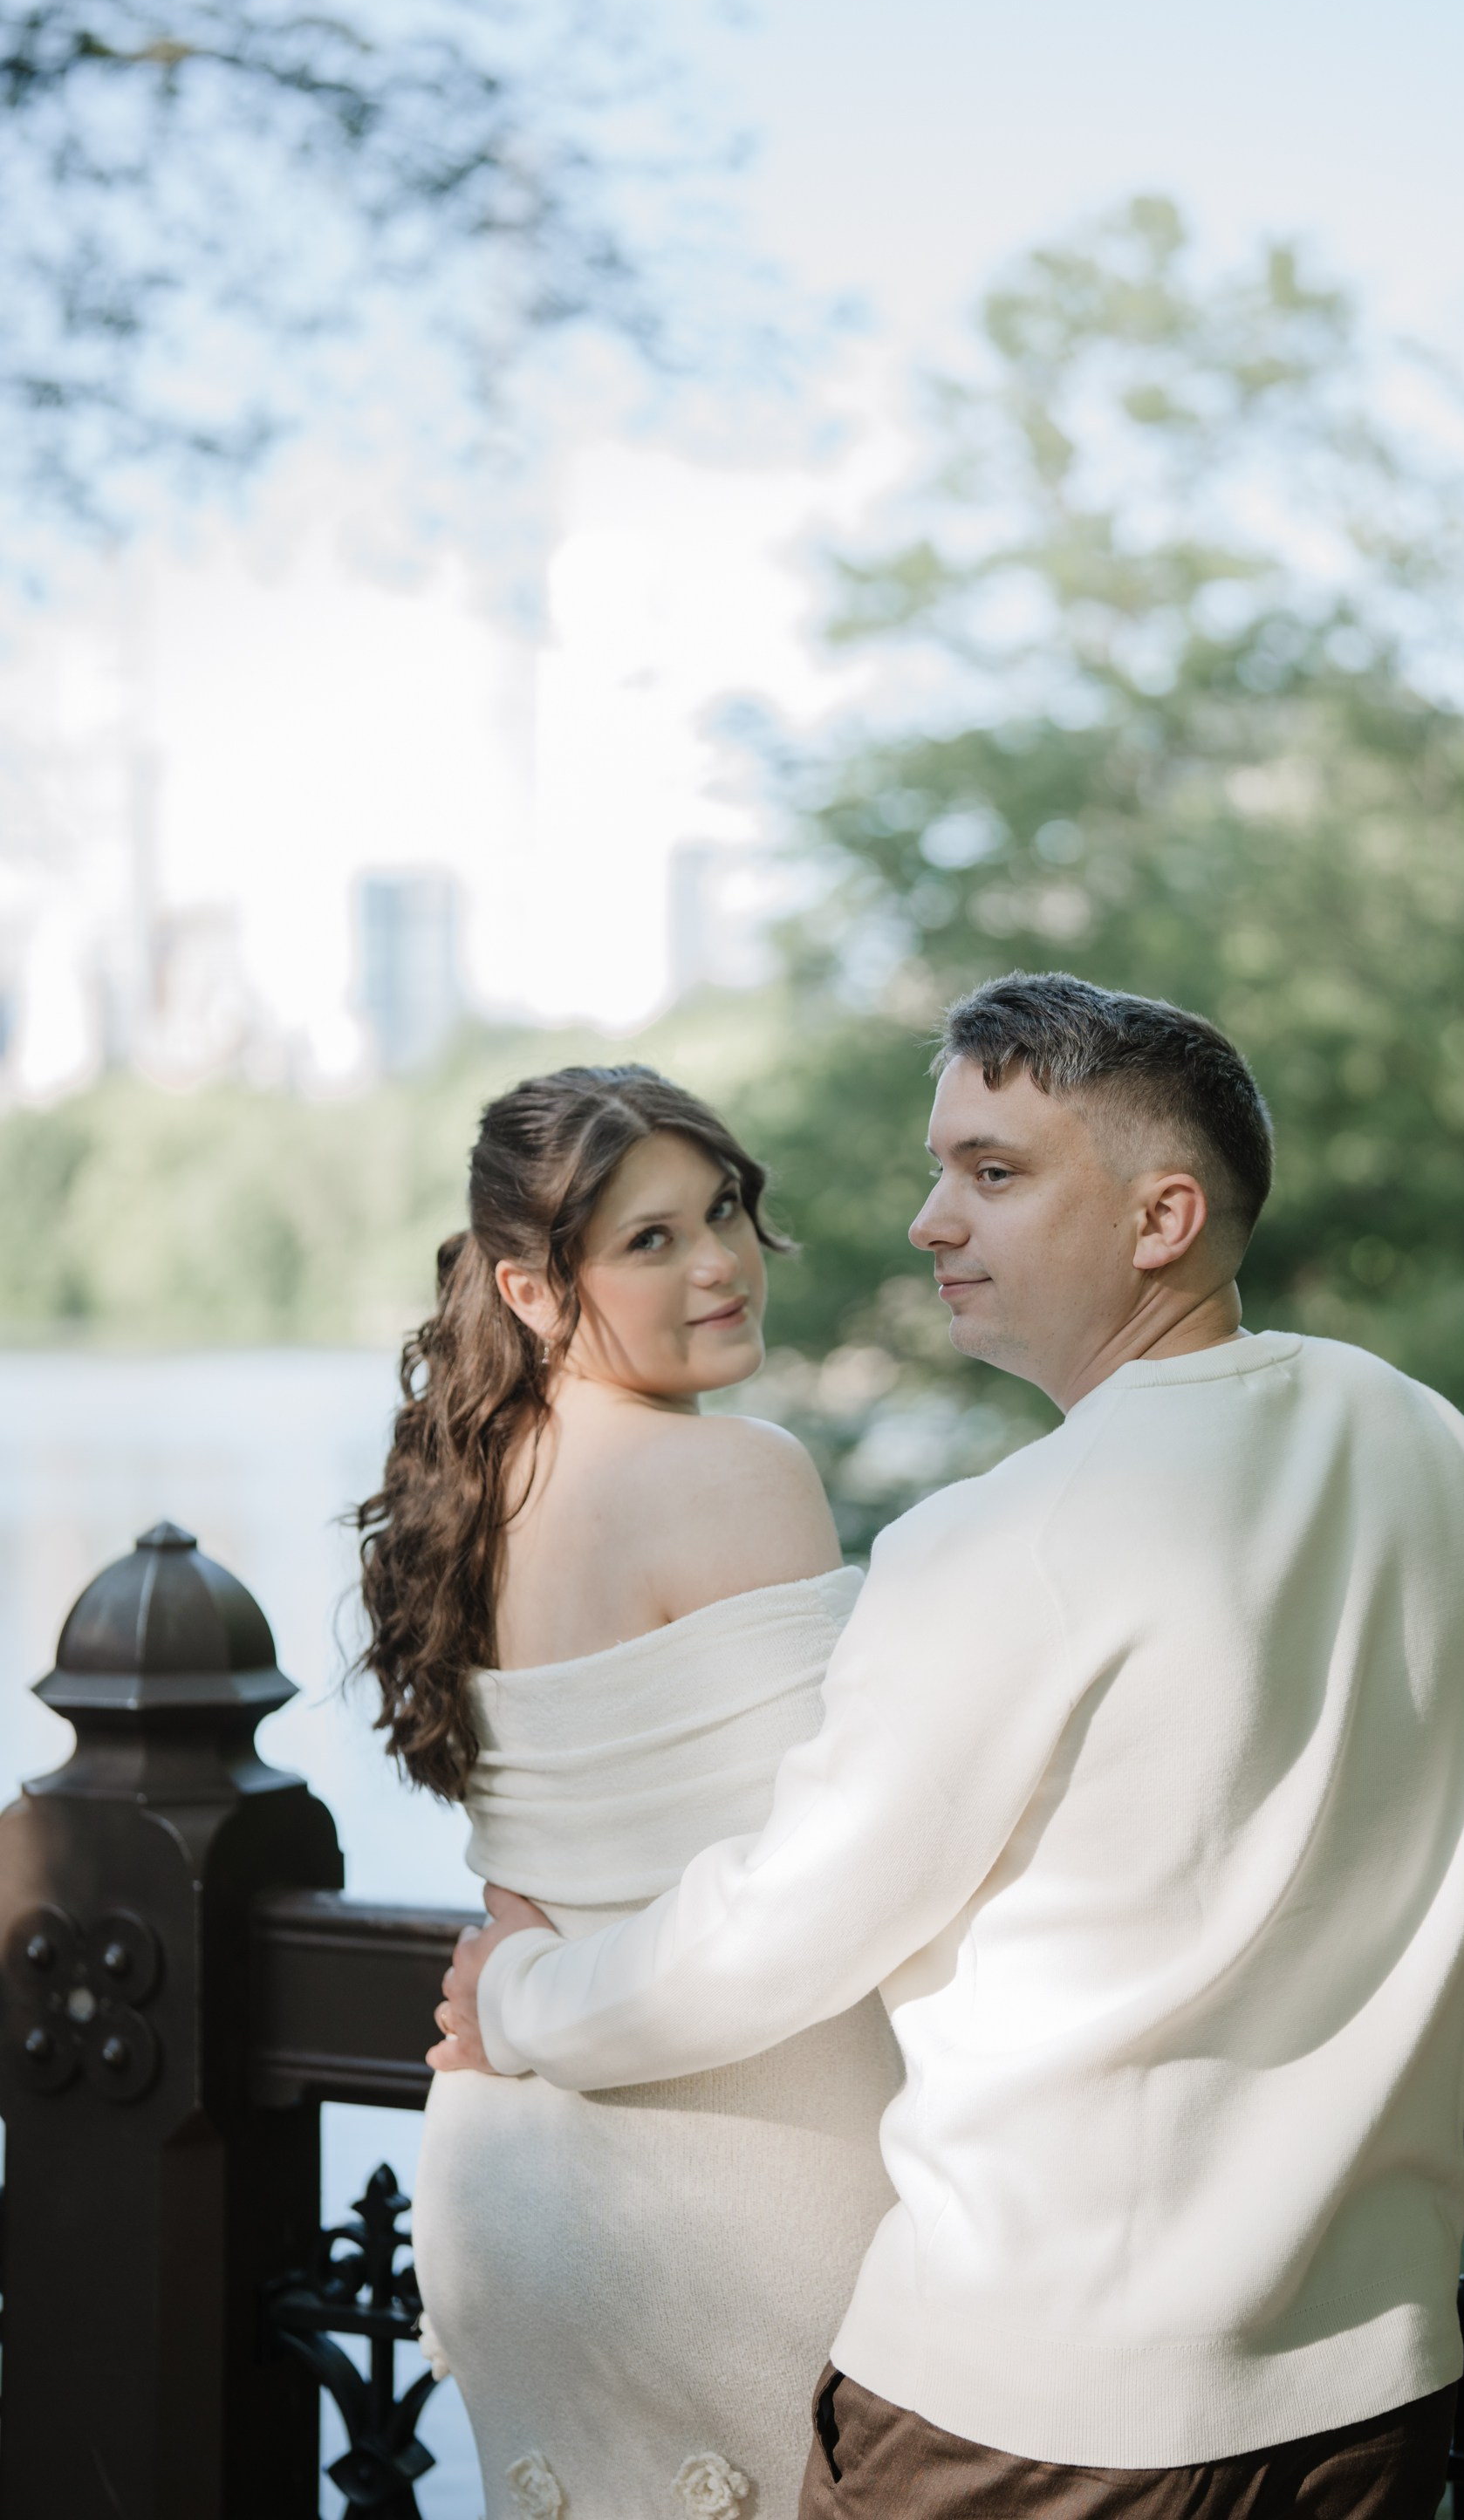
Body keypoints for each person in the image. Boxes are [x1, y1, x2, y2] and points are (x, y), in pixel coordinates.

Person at [434, 973, 1464, 2520]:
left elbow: (780, 1934)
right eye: (939, 1168)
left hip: (1028, 2416)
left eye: (993, 1171)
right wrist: (1403, 1970)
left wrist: (525, 1995)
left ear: (1161, 1217)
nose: (928, 1220)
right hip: (1372, 2393)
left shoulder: (988, 1546)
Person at [354, 1064, 901, 2520]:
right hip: (738, 2178)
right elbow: (848, 1855)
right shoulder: (737, 1475)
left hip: (508, 2169)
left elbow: (525, 1874)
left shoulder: (465, 1485)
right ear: (534, 1287)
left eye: (719, 1210)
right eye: (649, 1241)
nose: (721, 1263)